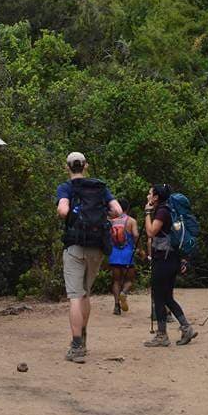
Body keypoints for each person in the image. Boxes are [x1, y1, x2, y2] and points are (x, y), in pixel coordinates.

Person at [57, 152, 122, 363]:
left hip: (75, 246)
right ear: (86, 166)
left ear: (67, 167)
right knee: (86, 293)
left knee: (75, 296)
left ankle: (76, 346)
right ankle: (83, 338)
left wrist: (78, 220)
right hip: (97, 247)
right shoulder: (100, 188)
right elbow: (118, 210)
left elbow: (62, 210)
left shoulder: (66, 188)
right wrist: (100, 218)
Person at [143, 184, 198, 347]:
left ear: (156, 197)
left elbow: (151, 232)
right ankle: (186, 328)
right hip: (172, 259)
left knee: (160, 297)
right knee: (167, 297)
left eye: (150, 193)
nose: (148, 196)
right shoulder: (169, 210)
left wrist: (147, 212)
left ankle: (162, 335)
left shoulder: (162, 211)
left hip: (163, 260)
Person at [108, 199, 138, 315]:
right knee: (129, 280)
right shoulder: (131, 221)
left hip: (114, 254)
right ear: (128, 208)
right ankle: (124, 293)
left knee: (116, 281)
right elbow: (135, 235)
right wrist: (138, 248)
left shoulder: (111, 221)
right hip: (127, 255)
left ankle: (116, 306)